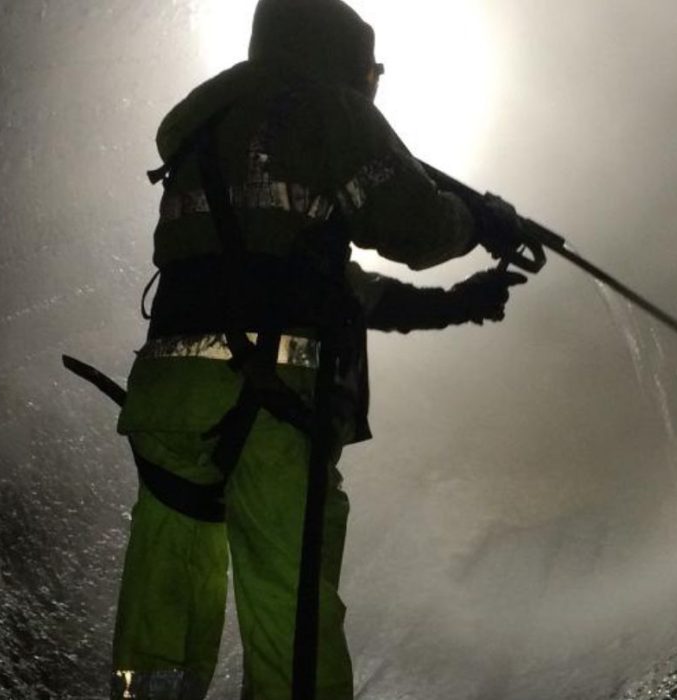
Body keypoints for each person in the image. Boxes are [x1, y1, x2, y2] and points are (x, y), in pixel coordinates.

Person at [110, 1, 525, 698]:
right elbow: (416, 228)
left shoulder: (207, 131)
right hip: (271, 399)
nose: (374, 83)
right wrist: (481, 219)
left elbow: (319, 283)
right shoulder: (331, 109)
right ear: (344, 58)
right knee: (289, 619)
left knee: (166, 597)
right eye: (372, 69)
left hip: (169, 393)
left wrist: (456, 306)